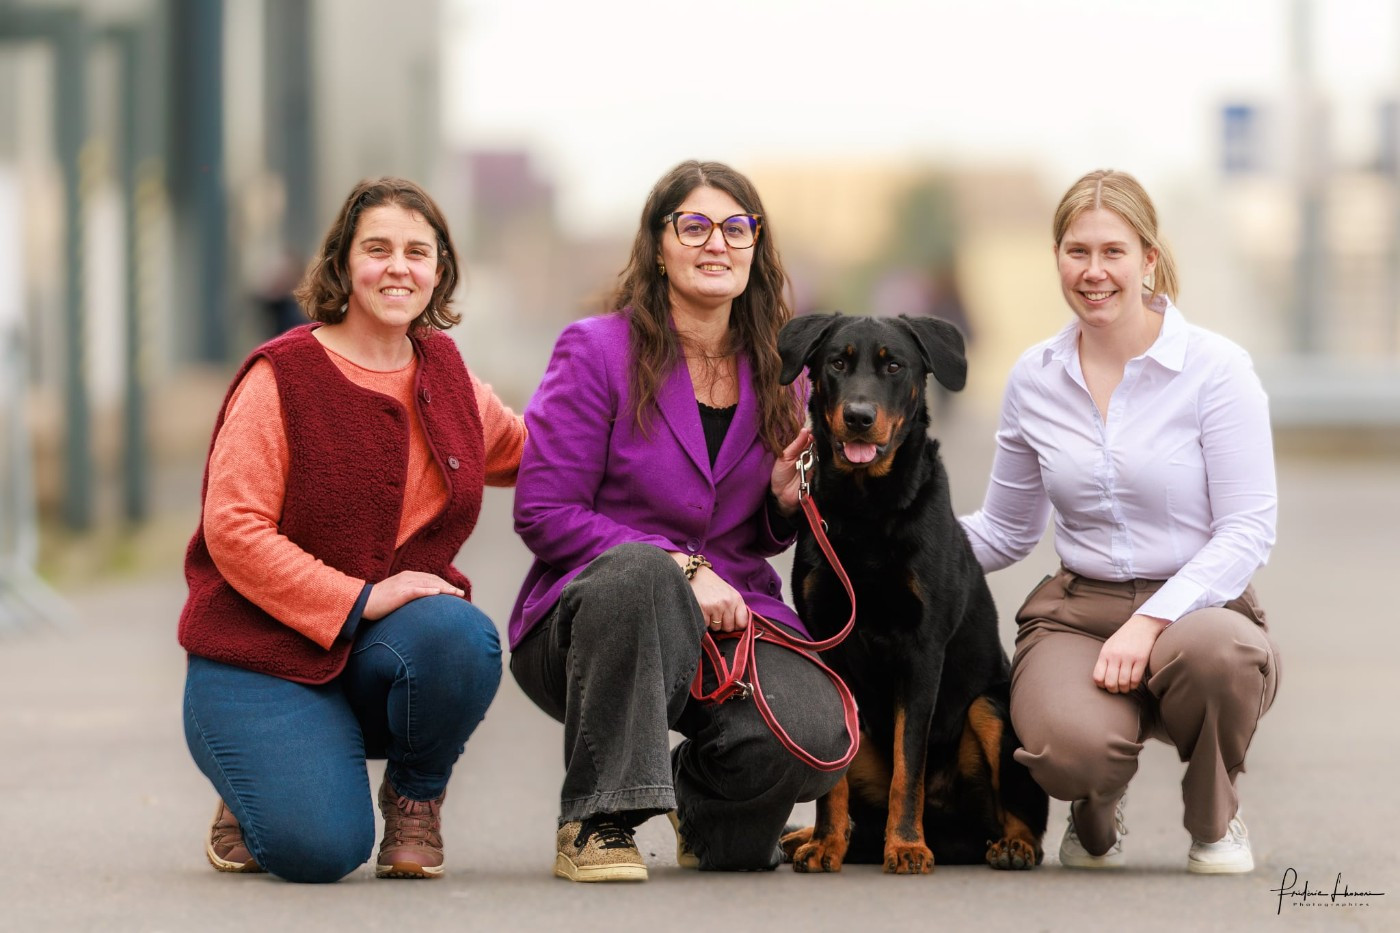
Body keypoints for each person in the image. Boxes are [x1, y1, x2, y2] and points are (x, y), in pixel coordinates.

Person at [178, 177, 526, 883]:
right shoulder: (283, 375)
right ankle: (255, 782)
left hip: (378, 655)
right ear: (343, 263)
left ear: (439, 271)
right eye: (378, 248)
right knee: (320, 850)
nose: (398, 266)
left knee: (460, 638)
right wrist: (361, 597)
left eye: (417, 251)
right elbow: (233, 528)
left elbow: (538, 455)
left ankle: (415, 797)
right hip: (258, 656)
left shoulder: (449, 375)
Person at [509, 160, 849, 882]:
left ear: (757, 247)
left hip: (730, 626)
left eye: (735, 227)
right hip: (595, 624)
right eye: (692, 225)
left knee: (814, 737)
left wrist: (784, 503)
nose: (715, 243)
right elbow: (544, 510)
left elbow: (753, 539)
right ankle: (598, 818)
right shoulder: (595, 350)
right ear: (658, 244)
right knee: (640, 572)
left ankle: (694, 796)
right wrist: (681, 566)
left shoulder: (785, 369)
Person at [959, 169, 1280, 874]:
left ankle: (1214, 819)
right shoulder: (1034, 377)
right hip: (1079, 610)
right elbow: (1006, 529)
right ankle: (1096, 802)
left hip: (1199, 605)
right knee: (1062, 750)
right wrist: (875, 541)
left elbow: (1248, 527)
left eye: (1113, 251)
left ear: (1149, 259)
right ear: (1058, 259)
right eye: (1077, 251)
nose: (1094, 270)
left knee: (1219, 656)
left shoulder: (1215, 369)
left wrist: (1153, 620)